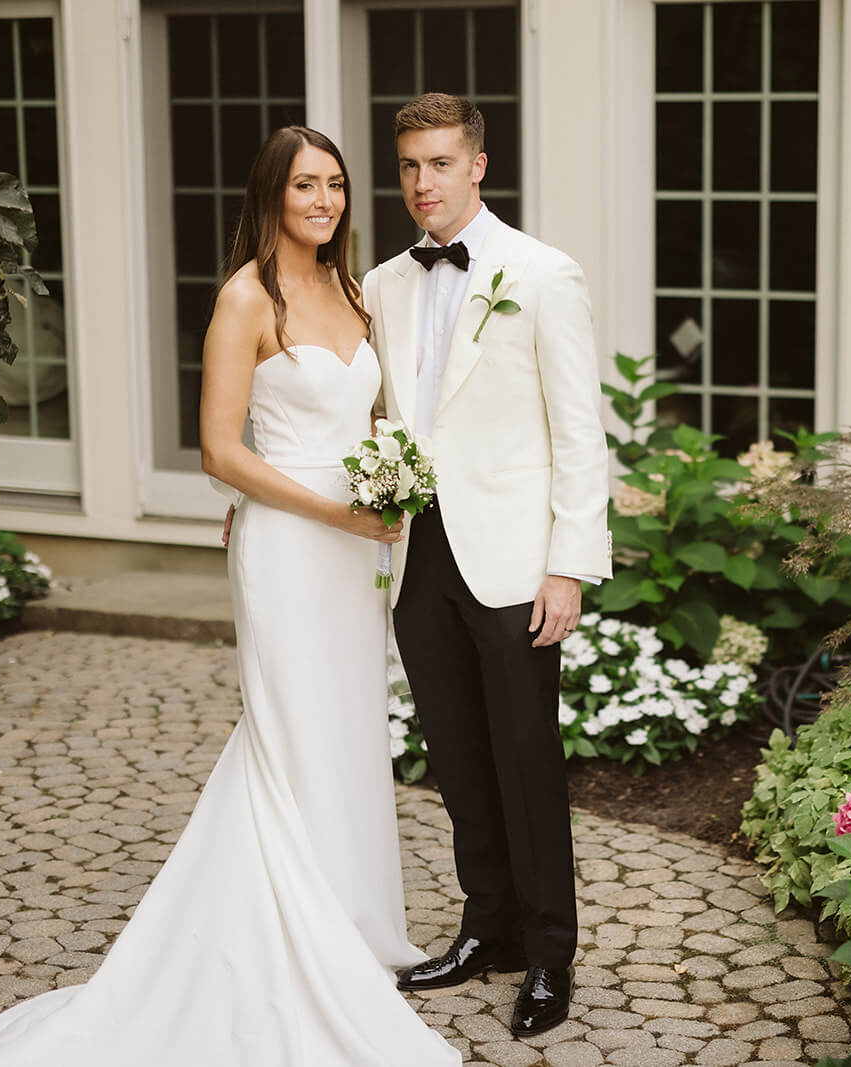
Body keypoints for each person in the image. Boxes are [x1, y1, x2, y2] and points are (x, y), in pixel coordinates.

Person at [0, 127, 460, 1066]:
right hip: (291, 546)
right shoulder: (244, 297)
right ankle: (288, 945)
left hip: (357, 553)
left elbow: (371, 415)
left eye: (336, 185)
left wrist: (387, 485)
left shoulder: (352, 290)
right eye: (305, 185)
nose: (325, 201)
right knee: (291, 731)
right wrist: (333, 512)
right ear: (271, 195)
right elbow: (221, 450)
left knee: (348, 727)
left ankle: (352, 926)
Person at [366, 93, 612, 1039]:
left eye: (440, 163)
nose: (422, 183)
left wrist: (569, 565)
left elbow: (579, 431)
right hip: (418, 551)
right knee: (459, 758)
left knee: (525, 757)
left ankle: (550, 953)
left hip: (514, 560)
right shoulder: (383, 283)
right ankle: (487, 926)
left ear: (477, 164)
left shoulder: (544, 273)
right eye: (409, 166)